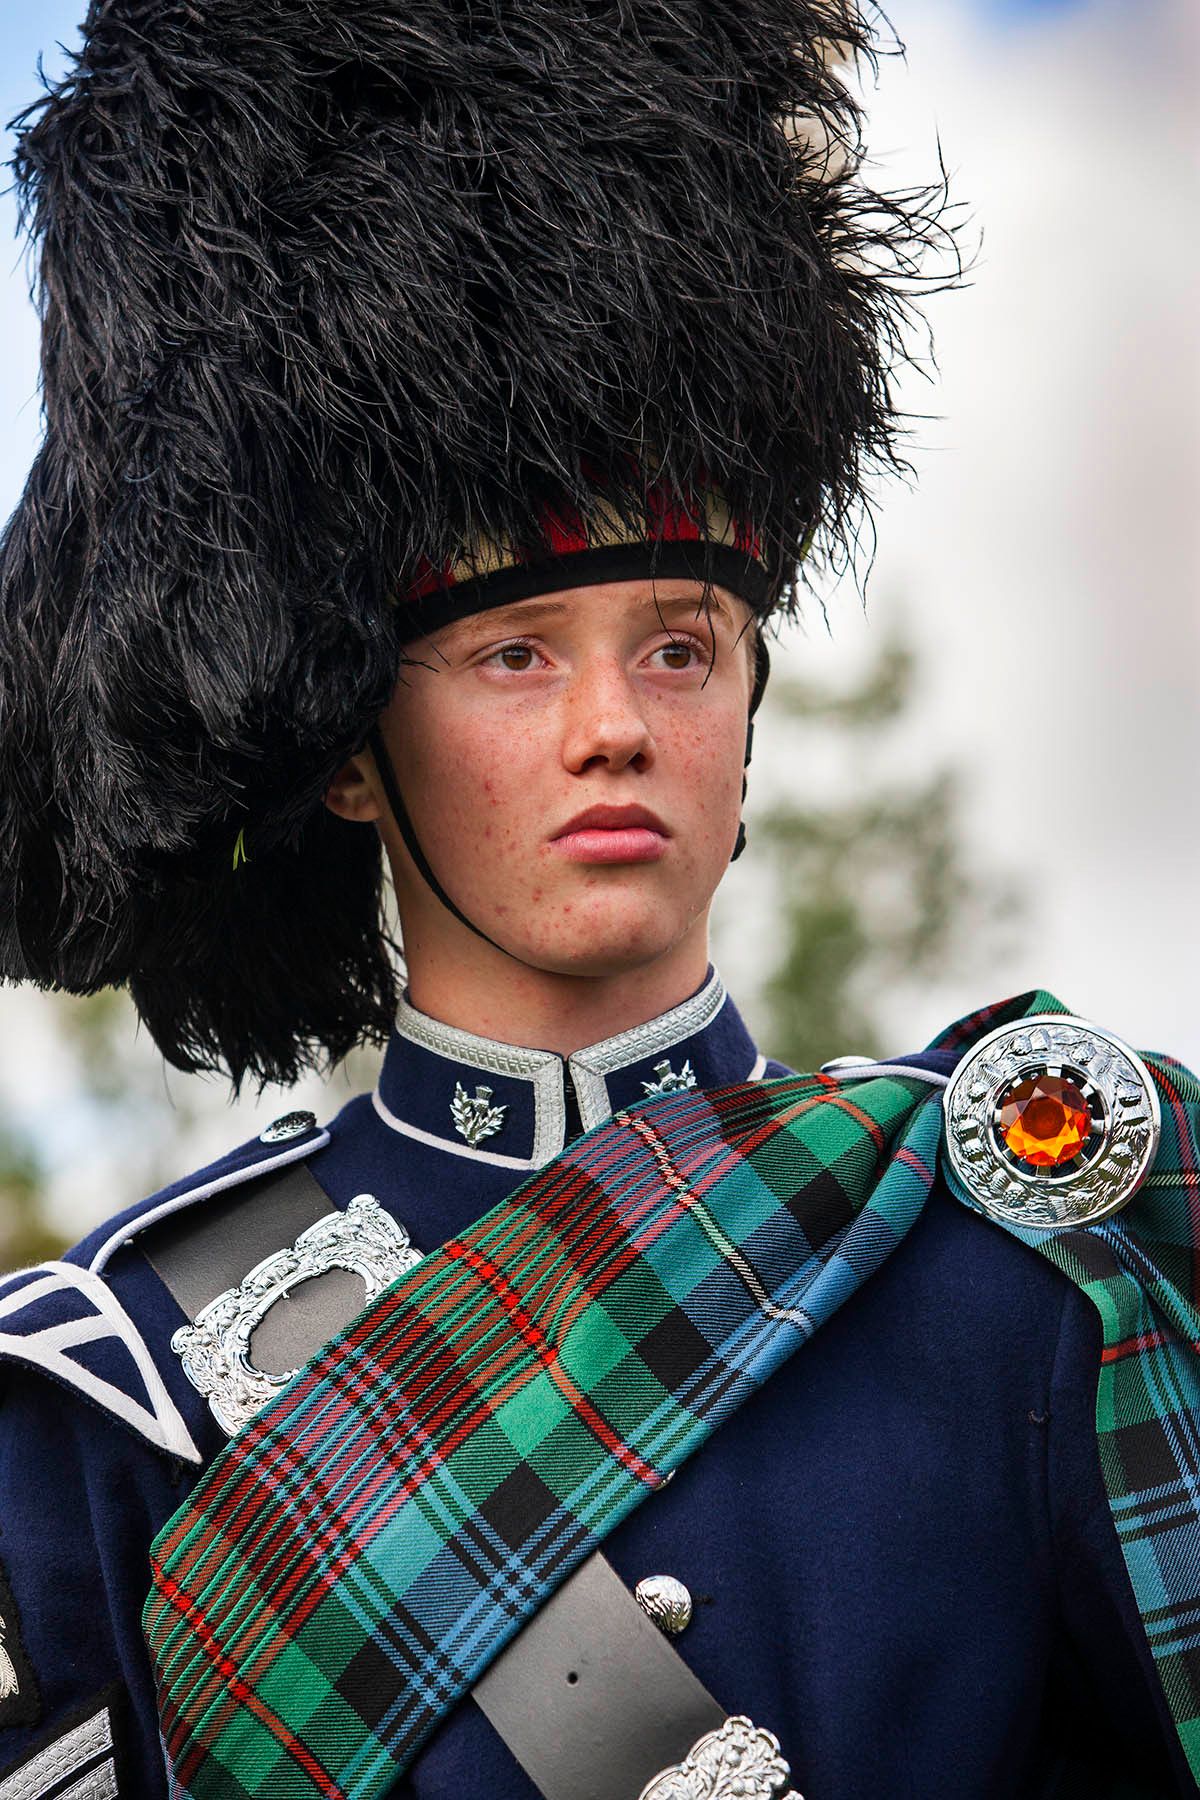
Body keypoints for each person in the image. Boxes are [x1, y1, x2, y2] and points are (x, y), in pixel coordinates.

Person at [0, 3, 1197, 1798]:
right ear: (351, 756)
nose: (615, 725)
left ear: (749, 708)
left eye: (679, 646)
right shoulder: (122, 1382)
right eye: (514, 656)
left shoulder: (1026, 1269)